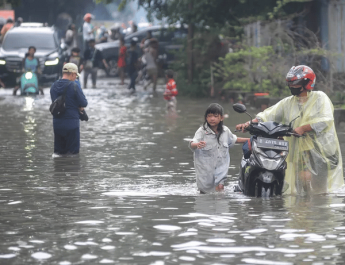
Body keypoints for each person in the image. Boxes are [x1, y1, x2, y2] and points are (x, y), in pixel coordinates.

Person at [236, 65, 344, 195]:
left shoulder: (320, 98)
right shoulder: (288, 102)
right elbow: (268, 114)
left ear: (306, 84)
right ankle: (301, 210)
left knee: (319, 189)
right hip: (298, 150)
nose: (292, 87)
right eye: (290, 84)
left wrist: (303, 128)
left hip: (320, 150)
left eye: (295, 84)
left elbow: (326, 120)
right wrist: (248, 123)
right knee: (301, 182)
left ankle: (317, 211)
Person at [189, 103, 249, 194]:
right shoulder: (201, 131)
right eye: (209, 116)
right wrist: (197, 144)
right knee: (204, 194)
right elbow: (192, 142)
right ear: (206, 118)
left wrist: (252, 140)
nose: (212, 119)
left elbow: (235, 139)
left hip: (221, 171)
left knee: (220, 190)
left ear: (221, 118)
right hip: (205, 172)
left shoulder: (225, 131)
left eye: (215, 116)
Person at [50, 63, 88, 155]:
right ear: (72, 74)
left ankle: (59, 168)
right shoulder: (74, 86)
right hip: (72, 125)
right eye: (75, 75)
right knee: (73, 156)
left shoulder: (53, 86)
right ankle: (70, 169)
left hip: (57, 125)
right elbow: (84, 103)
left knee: (58, 154)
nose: (75, 78)